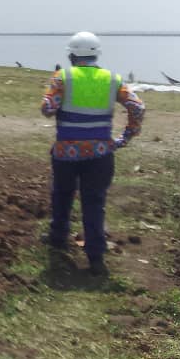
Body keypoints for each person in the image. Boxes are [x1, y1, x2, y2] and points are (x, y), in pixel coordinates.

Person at [41, 31, 145, 276]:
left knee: (62, 195)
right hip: (100, 154)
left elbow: (47, 108)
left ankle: (58, 238)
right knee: (94, 203)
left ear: (71, 55)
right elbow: (137, 106)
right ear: (96, 54)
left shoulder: (62, 77)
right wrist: (127, 135)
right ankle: (96, 258)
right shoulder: (112, 79)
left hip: (66, 152)